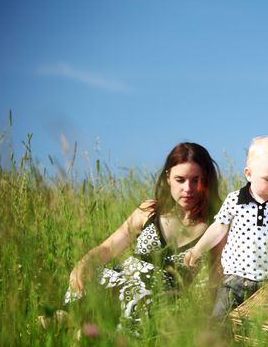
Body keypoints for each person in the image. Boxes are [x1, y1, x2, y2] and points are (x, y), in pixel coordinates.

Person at [64, 142, 221, 334]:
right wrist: (83, 264)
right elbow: (108, 248)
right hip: (122, 283)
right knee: (88, 278)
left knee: (145, 291)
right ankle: (76, 323)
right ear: (168, 178)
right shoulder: (148, 211)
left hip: (163, 303)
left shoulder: (217, 226)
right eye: (180, 179)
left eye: (195, 180)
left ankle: (79, 323)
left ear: (206, 180)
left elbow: (213, 283)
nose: (188, 188)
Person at [184, 136, 268, 322]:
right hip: (234, 280)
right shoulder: (235, 200)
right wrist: (198, 249)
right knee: (220, 320)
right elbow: (218, 228)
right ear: (248, 174)